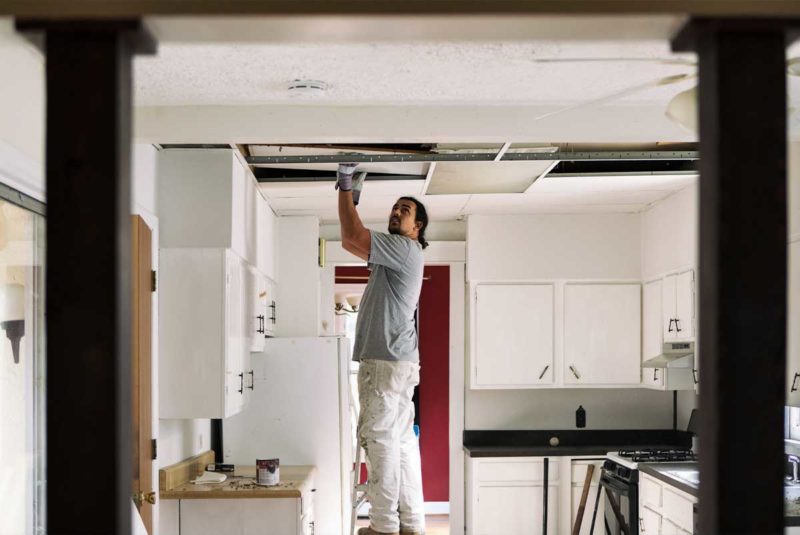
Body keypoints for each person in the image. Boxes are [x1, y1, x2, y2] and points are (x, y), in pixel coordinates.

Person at [336, 162, 429, 535]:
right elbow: (350, 239)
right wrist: (351, 199)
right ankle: (411, 523)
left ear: (416, 227)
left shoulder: (404, 249)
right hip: (399, 362)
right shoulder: (398, 256)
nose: (396, 213)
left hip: (386, 361)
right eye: (394, 208)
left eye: (404, 211)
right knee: (402, 444)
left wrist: (345, 186)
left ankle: (384, 526)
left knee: (381, 441)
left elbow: (353, 235)